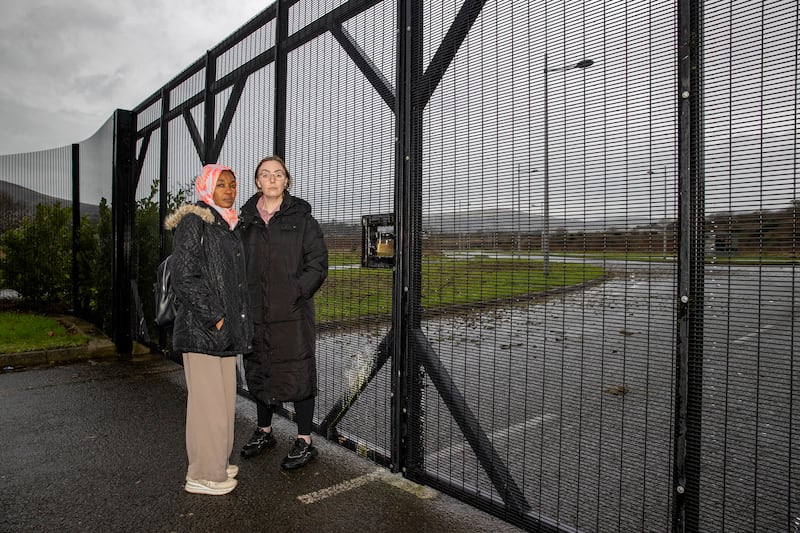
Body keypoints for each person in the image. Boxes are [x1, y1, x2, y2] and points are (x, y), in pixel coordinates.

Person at [165, 163, 253, 495]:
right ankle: (202, 473)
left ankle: (217, 459)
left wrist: (230, 323)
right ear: (206, 188)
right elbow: (184, 276)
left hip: (224, 333)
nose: (229, 190)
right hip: (203, 331)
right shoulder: (195, 221)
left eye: (232, 184)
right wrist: (215, 317)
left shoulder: (226, 225)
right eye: (222, 185)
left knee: (223, 402)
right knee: (207, 407)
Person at [238, 155, 328, 470]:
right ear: (257, 182)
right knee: (260, 367)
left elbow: (317, 264)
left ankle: (305, 440)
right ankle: (265, 432)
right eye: (265, 174)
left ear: (286, 181)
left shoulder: (303, 220)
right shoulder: (245, 222)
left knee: (298, 371)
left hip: (292, 313)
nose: (272, 179)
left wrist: (294, 292)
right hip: (256, 313)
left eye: (278, 174)